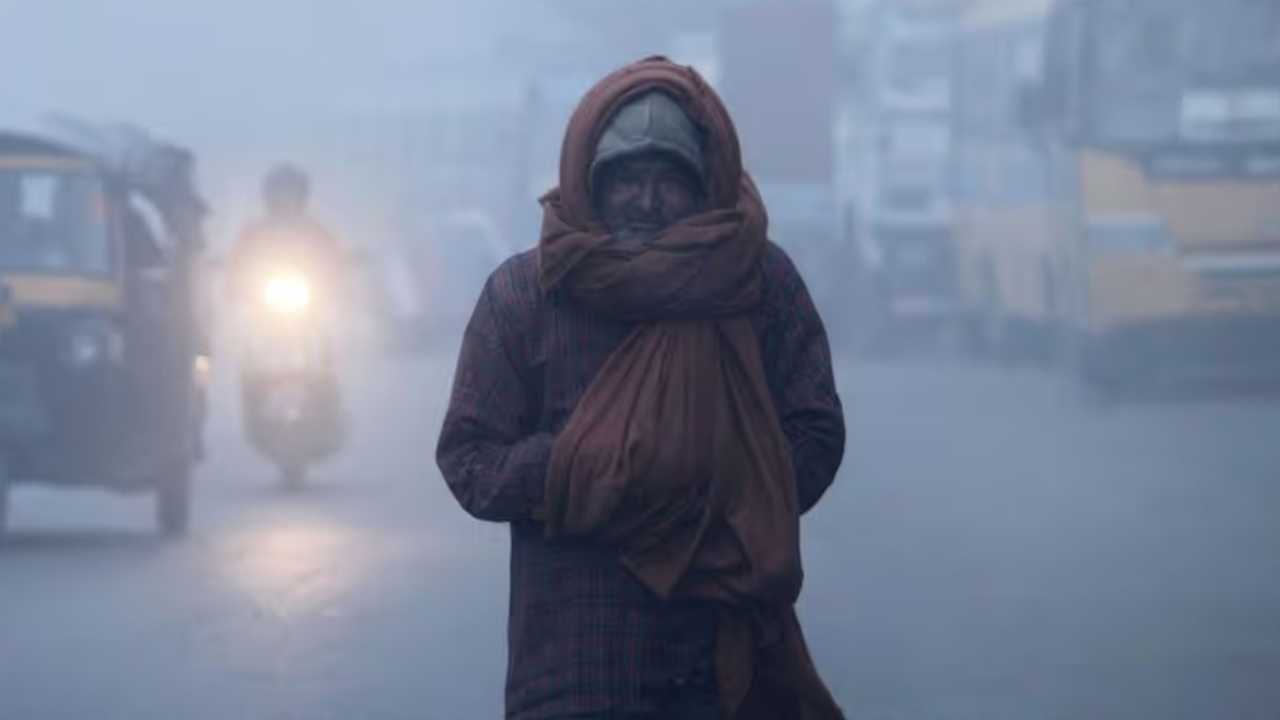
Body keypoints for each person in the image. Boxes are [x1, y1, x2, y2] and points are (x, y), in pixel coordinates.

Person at [437, 57, 846, 719]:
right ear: (589, 183)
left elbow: (817, 431)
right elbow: (468, 460)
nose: (647, 201)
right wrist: (582, 468)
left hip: (720, 661)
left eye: (668, 180)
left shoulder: (758, 286)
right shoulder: (525, 296)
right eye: (626, 178)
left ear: (705, 185)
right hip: (575, 669)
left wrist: (723, 494)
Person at [227, 164, 345, 306]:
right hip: (258, 305)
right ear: (269, 197)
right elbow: (236, 268)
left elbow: (334, 263)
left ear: (302, 197)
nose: (285, 200)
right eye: (280, 194)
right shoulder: (252, 234)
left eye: (291, 193)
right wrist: (238, 284)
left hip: (312, 306)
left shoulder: (318, 233)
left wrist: (335, 280)